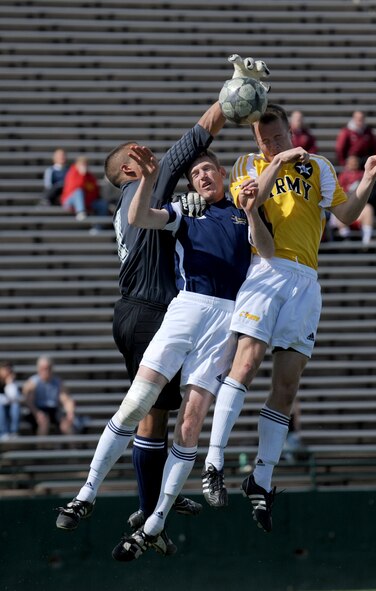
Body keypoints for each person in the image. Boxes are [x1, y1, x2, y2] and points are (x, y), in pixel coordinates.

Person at [55, 140, 274, 561]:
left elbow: (265, 252)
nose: (202, 176)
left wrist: (249, 211)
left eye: (208, 170)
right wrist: (153, 180)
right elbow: (139, 216)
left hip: (225, 322)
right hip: (186, 308)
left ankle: (154, 522)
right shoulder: (186, 212)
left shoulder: (242, 211)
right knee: (138, 402)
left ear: (223, 174)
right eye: (195, 173)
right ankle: (87, 493)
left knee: (189, 423)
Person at [202, 104, 376, 533]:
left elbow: (347, 215)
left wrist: (369, 179)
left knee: (287, 385)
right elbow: (255, 199)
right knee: (244, 365)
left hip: (306, 279)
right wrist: (277, 160)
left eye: (277, 138)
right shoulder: (248, 165)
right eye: (263, 140)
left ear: (290, 130)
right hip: (265, 269)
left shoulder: (320, 165)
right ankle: (214, 460)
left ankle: (261, 479)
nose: (269, 145)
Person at [104, 100, 229, 554]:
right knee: (148, 411)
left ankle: (154, 500)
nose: (155, 162)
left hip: (137, 311)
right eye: (145, 161)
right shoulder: (144, 192)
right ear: (131, 170)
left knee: (158, 413)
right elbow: (192, 144)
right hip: (148, 310)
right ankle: (146, 507)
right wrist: (228, 99)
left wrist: (185, 204)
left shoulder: (131, 204)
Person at [22, 356, 76, 436]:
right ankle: (41, 447)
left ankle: (74, 447)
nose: (46, 371)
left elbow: (65, 399)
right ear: (39, 369)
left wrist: (70, 413)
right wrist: (36, 413)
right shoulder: (33, 382)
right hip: (38, 410)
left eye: (48, 368)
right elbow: (29, 400)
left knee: (66, 424)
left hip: (53, 410)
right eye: (43, 368)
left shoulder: (57, 382)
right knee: (44, 421)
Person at [0, 361, 22, 440]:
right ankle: (3, 433)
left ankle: (14, 432)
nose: (7, 372)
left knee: (16, 405)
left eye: (9, 370)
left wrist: (10, 384)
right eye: (5, 369)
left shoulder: (11, 382)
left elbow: (14, 397)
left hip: (8, 409)